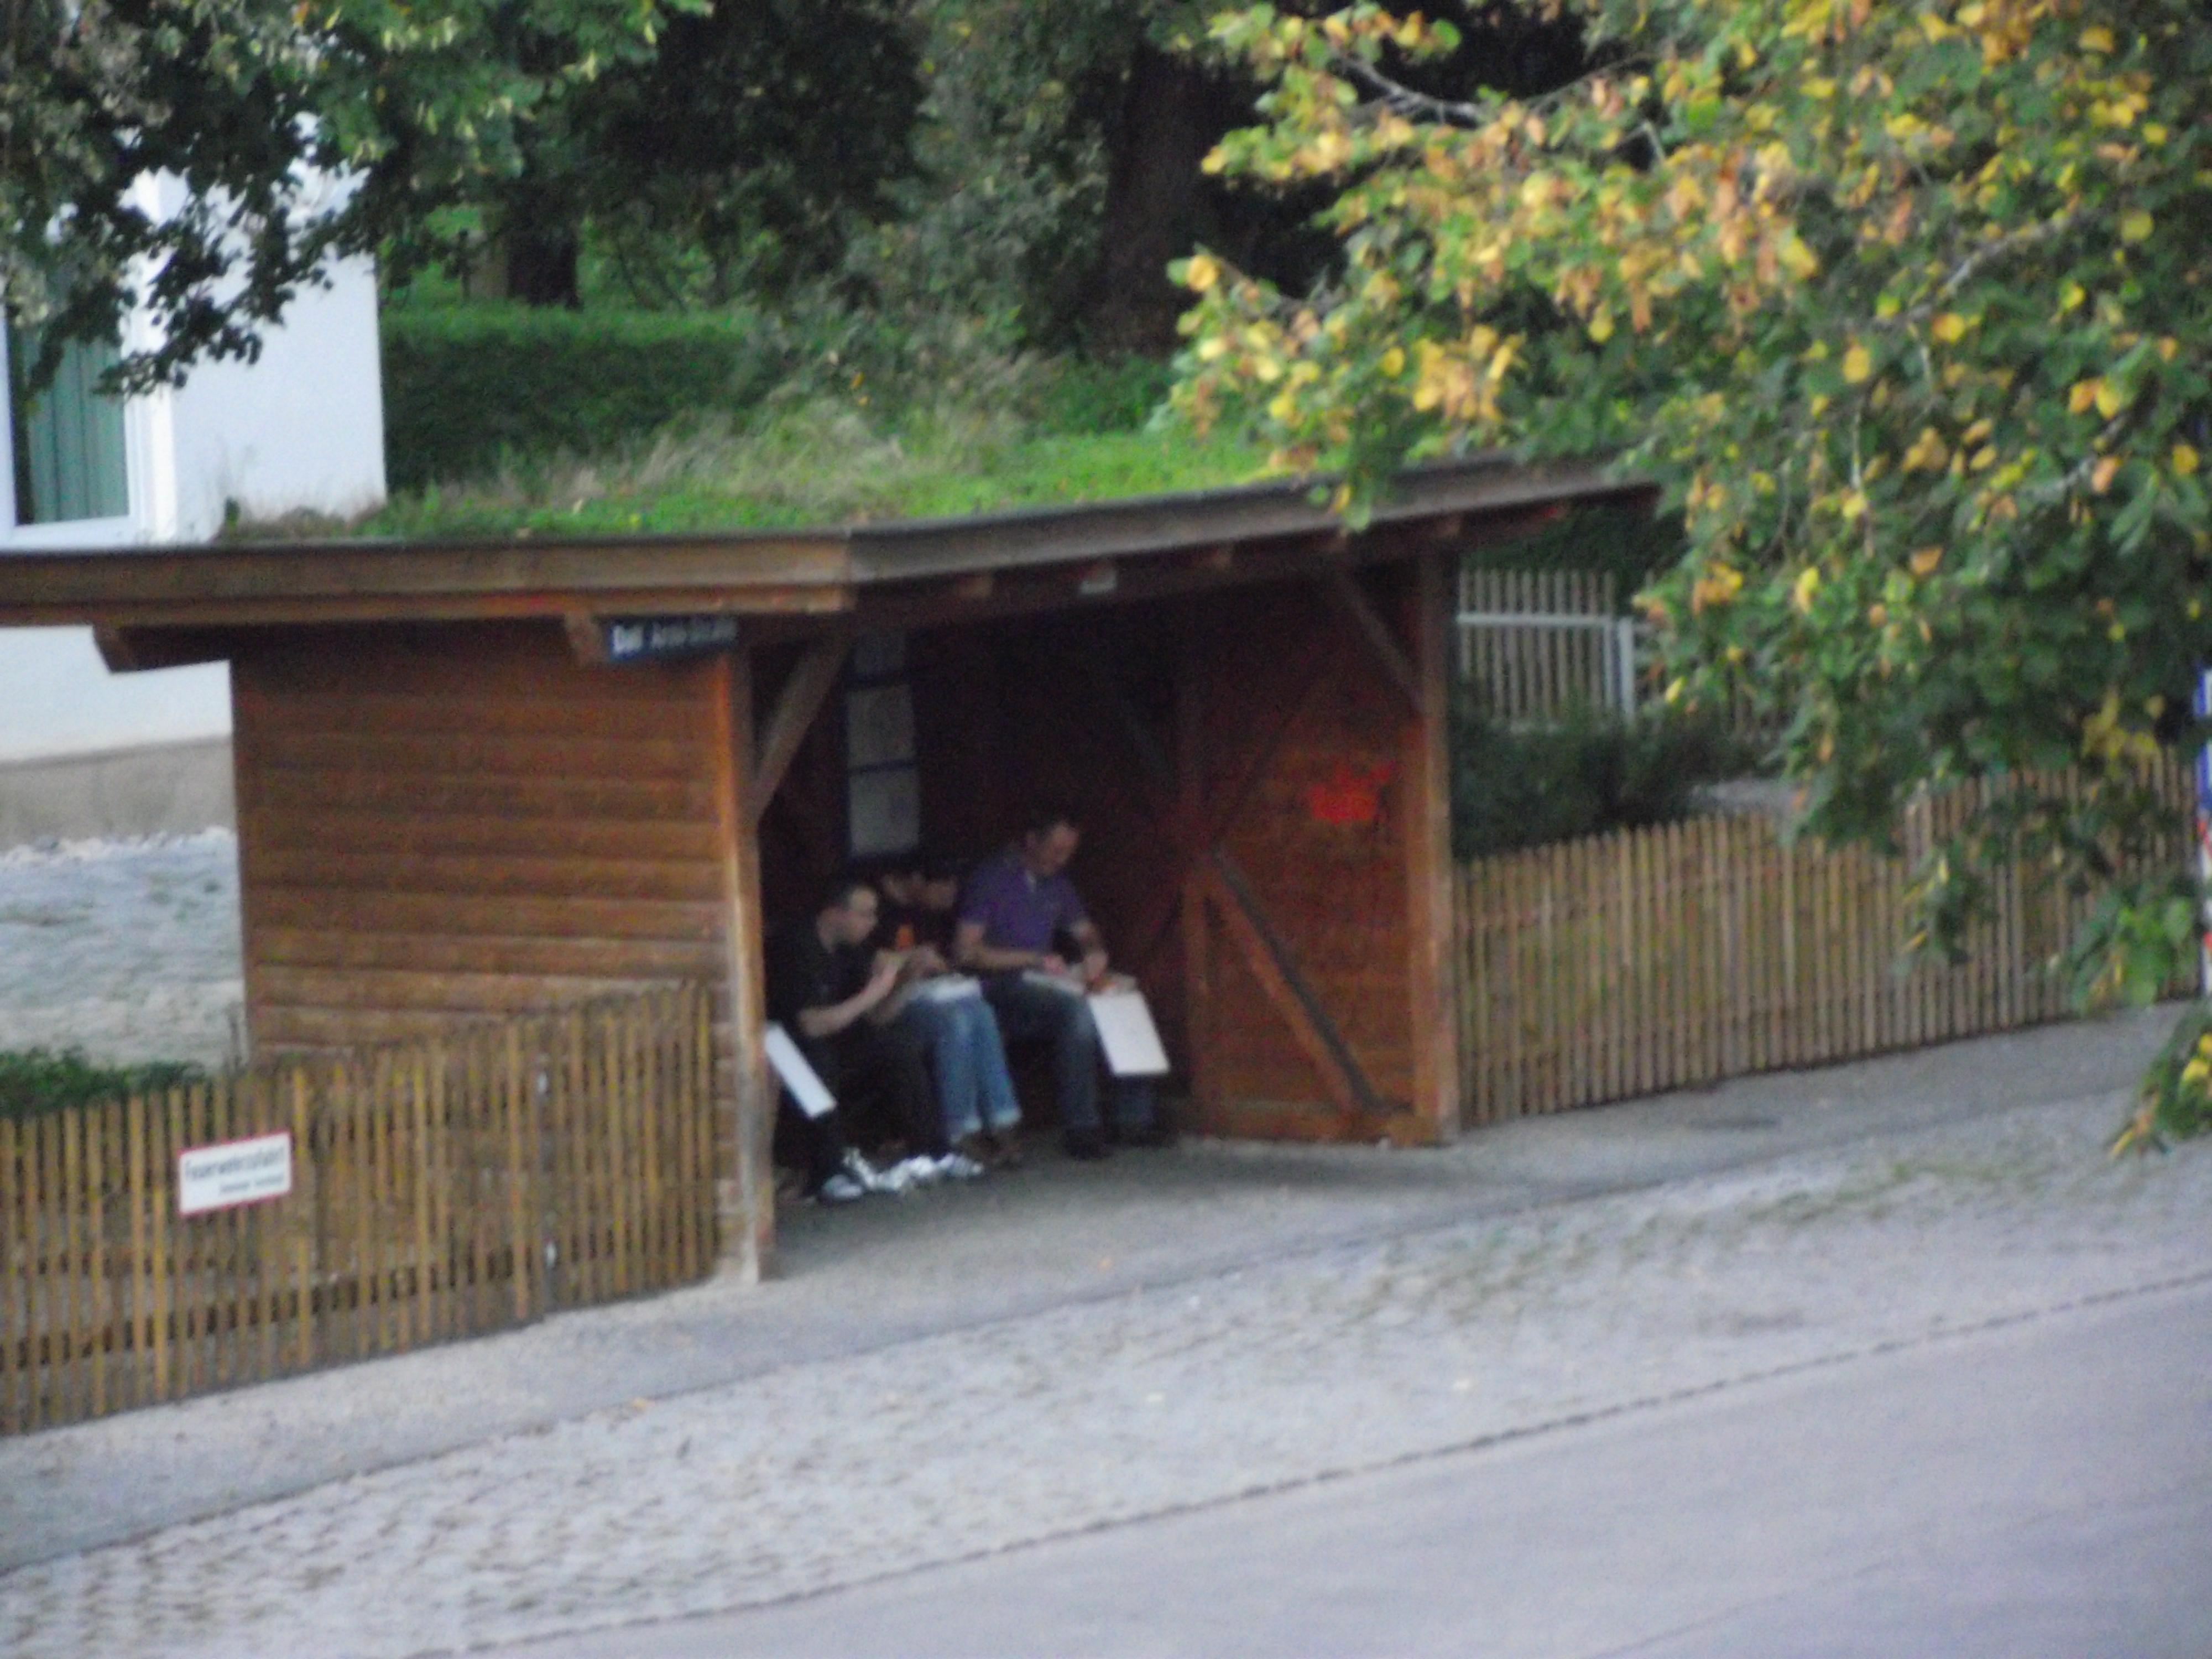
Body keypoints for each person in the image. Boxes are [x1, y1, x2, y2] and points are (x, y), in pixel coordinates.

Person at [953, 807, 1167, 1160]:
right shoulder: (991, 878)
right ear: (1031, 841)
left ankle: (1135, 1119)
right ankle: (1082, 1128)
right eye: (1056, 851)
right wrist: (1032, 959)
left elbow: (1085, 932)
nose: (1062, 860)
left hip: (1046, 980)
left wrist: (1094, 953)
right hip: (1001, 985)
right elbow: (966, 952)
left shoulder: (1057, 883)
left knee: (1122, 995)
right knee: (1076, 1012)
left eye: (1069, 852)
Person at [765, 879, 947, 1201]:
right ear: (834, 913)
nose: (872, 923)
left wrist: (907, 980)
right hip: (784, 1047)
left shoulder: (851, 948)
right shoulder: (797, 946)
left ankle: (932, 1153)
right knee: (818, 1061)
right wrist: (871, 995)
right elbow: (811, 1025)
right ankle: (828, 1174)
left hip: (837, 1037)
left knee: (900, 1046)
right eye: (864, 914)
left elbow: (876, 1017)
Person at [875, 854, 1025, 1166]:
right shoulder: (876, 911)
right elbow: (872, 968)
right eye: (943, 888)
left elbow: (947, 959)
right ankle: (961, 1129)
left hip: (933, 995)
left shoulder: (932, 914)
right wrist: (910, 964)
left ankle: (1003, 1121)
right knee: (957, 1021)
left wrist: (944, 965)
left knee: (982, 1012)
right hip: (891, 1003)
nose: (949, 897)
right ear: (917, 881)